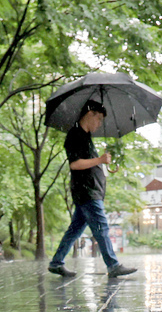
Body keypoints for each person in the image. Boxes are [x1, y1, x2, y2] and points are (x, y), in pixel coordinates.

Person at [48, 99, 136, 280]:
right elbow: (75, 164)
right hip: (86, 191)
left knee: (75, 230)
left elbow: (89, 164)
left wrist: (103, 165)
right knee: (101, 226)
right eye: (99, 119)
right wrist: (100, 160)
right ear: (90, 114)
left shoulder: (86, 137)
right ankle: (113, 265)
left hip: (90, 190)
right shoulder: (75, 135)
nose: (100, 124)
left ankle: (56, 262)